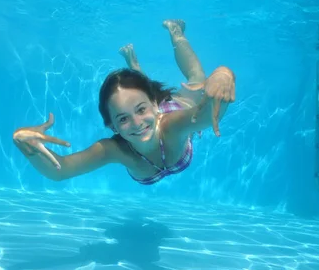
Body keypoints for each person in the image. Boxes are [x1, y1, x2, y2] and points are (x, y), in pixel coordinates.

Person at [13, 20, 236, 185]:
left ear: (155, 107)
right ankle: (135, 69)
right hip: (152, 107)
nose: (137, 123)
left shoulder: (172, 124)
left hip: (173, 109)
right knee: (139, 96)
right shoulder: (115, 149)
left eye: (140, 111)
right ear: (113, 126)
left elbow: (208, 116)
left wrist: (225, 74)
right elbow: (60, 171)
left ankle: (177, 33)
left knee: (197, 79)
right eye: (123, 119)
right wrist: (29, 149)